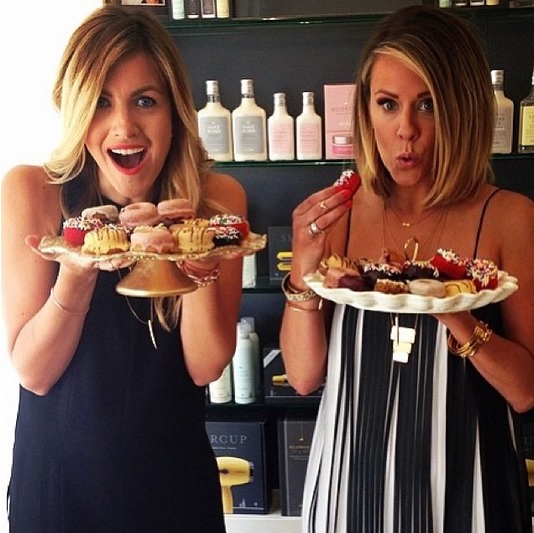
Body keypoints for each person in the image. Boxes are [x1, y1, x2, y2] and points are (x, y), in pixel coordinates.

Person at [280, 6, 534, 533]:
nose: (406, 130)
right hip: (351, 487)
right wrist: (302, 270)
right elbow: (303, 377)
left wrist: (452, 309)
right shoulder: (342, 213)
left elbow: (526, 390)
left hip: (470, 491)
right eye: (387, 104)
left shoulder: (510, 217)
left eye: (428, 105)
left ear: (462, 110)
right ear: (366, 110)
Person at [1, 5, 246, 532]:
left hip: (173, 485)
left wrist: (196, 262)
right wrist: (78, 272)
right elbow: (34, 373)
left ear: (174, 110)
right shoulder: (33, 192)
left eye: (145, 101)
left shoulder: (216, 200)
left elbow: (205, 366)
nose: (124, 126)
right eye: (101, 102)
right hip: (59, 490)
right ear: (75, 110)